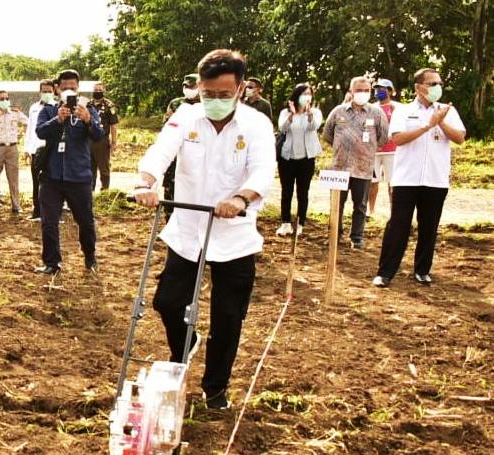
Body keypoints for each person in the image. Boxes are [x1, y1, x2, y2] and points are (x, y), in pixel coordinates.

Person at [132, 49, 276, 410]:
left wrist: (241, 199)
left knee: (228, 317)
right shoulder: (186, 116)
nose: (214, 100)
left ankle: (215, 389)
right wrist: (146, 182)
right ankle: (186, 342)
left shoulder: (256, 124)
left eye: (223, 94)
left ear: (240, 89)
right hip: (189, 228)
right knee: (166, 301)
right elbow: (160, 152)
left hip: (234, 234)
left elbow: (262, 171)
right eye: (208, 93)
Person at [372, 68, 465, 288]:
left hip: (435, 178)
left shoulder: (447, 110)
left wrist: (440, 122)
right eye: (432, 83)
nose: (437, 87)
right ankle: (385, 272)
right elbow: (398, 139)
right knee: (398, 224)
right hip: (406, 178)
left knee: (429, 226)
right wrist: (428, 125)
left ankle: (422, 270)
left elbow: (460, 137)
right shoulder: (403, 111)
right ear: (418, 87)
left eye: (439, 83)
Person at [34, 69, 104, 274]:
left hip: (79, 176)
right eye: (64, 88)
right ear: (57, 89)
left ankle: (90, 258)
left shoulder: (88, 109)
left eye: (72, 87)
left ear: (78, 88)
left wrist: (88, 120)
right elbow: (40, 132)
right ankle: (52, 263)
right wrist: (58, 119)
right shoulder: (48, 110)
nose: (68, 91)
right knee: (48, 222)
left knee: (85, 221)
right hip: (52, 176)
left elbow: (99, 135)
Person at [323, 76, 389, 249]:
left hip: (364, 166)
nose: (363, 93)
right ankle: (334, 235)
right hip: (339, 167)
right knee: (336, 203)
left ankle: (357, 237)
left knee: (360, 205)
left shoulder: (377, 113)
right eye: (359, 90)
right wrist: (342, 147)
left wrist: (365, 149)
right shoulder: (338, 111)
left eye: (366, 90)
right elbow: (327, 134)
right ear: (351, 92)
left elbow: (382, 137)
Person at [275, 83, 323, 237]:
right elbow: (282, 128)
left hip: (306, 159)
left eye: (309, 94)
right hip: (287, 158)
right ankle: (286, 223)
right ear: (296, 95)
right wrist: (292, 115)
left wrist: (308, 115)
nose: (306, 97)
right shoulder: (285, 112)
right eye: (304, 93)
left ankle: (300, 223)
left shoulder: (315, 112)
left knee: (303, 192)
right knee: (286, 191)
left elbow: (314, 127)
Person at [162, 73, 201, 213]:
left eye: (192, 86)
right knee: (170, 188)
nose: (188, 89)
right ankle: (169, 217)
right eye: (186, 86)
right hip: (176, 152)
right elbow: (168, 127)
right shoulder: (176, 103)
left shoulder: (207, 104)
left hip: (196, 152)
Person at [0, 90, 28, 213]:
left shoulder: (15, 113)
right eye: (2, 99)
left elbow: (27, 123)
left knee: (13, 179)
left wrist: (20, 135)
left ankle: (16, 206)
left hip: (12, 149)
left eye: (6, 98)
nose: (5, 101)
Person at [24, 79, 56, 221]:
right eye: (44, 91)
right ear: (39, 92)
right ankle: (37, 212)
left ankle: (55, 213)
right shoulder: (34, 108)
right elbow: (30, 129)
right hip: (36, 150)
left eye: (49, 91)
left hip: (52, 149)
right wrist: (27, 149)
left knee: (54, 183)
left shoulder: (58, 107)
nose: (47, 93)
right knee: (36, 181)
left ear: (54, 92)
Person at [368, 78, 399, 217]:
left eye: (383, 88)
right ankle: (371, 210)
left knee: (393, 183)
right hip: (373, 152)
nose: (379, 91)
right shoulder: (370, 108)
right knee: (372, 182)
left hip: (392, 151)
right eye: (377, 88)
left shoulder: (397, 108)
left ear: (390, 91)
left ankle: (394, 212)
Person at [89, 82, 119, 191]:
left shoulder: (109, 105)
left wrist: (114, 142)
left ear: (103, 91)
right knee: (89, 169)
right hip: (89, 141)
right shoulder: (88, 104)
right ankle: (89, 192)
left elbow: (114, 125)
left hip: (102, 141)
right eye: (95, 90)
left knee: (104, 168)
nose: (97, 92)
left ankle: (105, 191)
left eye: (99, 90)